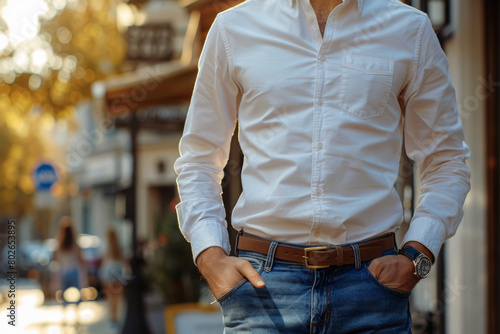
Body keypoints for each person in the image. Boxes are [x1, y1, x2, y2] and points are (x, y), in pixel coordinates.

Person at [174, 0, 471, 332]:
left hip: (372, 288)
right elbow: (199, 158)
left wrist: (417, 255)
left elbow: (446, 161)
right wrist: (210, 256)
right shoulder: (233, 29)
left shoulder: (409, 30)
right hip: (262, 290)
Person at [51, 216, 88, 305]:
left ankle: (65, 310)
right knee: (78, 295)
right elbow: (80, 259)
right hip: (74, 271)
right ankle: (77, 310)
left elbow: (55, 259)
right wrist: (84, 273)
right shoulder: (75, 245)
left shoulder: (60, 245)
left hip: (64, 272)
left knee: (63, 296)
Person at [99, 227, 126, 330]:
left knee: (110, 299)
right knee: (117, 299)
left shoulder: (105, 245)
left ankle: (112, 319)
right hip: (118, 274)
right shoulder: (119, 246)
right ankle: (116, 319)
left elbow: (102, 260)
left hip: (108, 274)